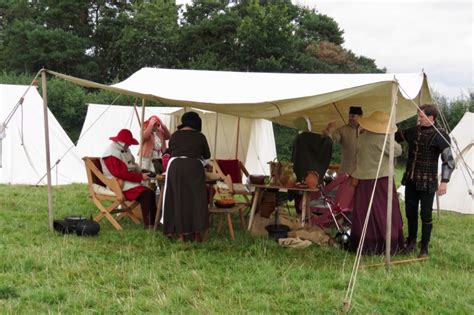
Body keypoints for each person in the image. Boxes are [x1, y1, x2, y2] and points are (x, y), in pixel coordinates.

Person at [396, 104, 455, 257]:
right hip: (410, 179)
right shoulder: (413, 131)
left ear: (431, 118)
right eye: (419, 115)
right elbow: (395, 136)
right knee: (410, 212)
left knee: (426, 215)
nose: (418, 118)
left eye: (421, 116)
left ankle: (424, 247)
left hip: (428, 181)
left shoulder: (440, 135)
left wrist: (444, 182)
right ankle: (411, 242)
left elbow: (448, 160)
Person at [349, 111, 405, 255]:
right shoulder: (384, 139)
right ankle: (386, 245)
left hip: (363, 180)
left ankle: (365, 245)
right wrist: (389, 136)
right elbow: (399, 151)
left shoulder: (361, 138)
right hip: (381, 180)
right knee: (384, 212)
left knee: (364, 212)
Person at [163, 111, 211, 242]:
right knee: (197, 199)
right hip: (194, 167)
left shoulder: (174, 136)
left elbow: (171, 152)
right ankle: (197, 234)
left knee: (178, 198)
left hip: (176, 167)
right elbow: (207, 157)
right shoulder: (200, 136)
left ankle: (181, 234)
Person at [101, 129, 157, 229]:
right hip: (117, 183)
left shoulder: (124, 149)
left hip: (126, 180)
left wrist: (142, 171)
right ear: (123, 142)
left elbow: (132, 164)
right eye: (128, 143)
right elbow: (120, 173)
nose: (130, 145)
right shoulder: (111, 154)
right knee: (147, 194)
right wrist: (140, 177)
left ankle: (153, 223)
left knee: (151, 192)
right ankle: (149, 225)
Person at [291, 116, 332, 214]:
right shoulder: (311, 138)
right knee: (311, 198)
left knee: (300, 198)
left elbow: (294, 157)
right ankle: (310, 215)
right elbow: (326, 143)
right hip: (312, 178)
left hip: (300, 174)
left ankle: (301, 213)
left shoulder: (299, 138)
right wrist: (328, 133)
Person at [323, 106, 363, 175]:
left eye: (353, 116)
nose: (350, 119)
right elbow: (333, 139)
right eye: (349, 116)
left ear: (360, 117)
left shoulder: (367, 130)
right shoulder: (342, 130)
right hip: (346, 171)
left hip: (363, 171)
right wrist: (328, 132)